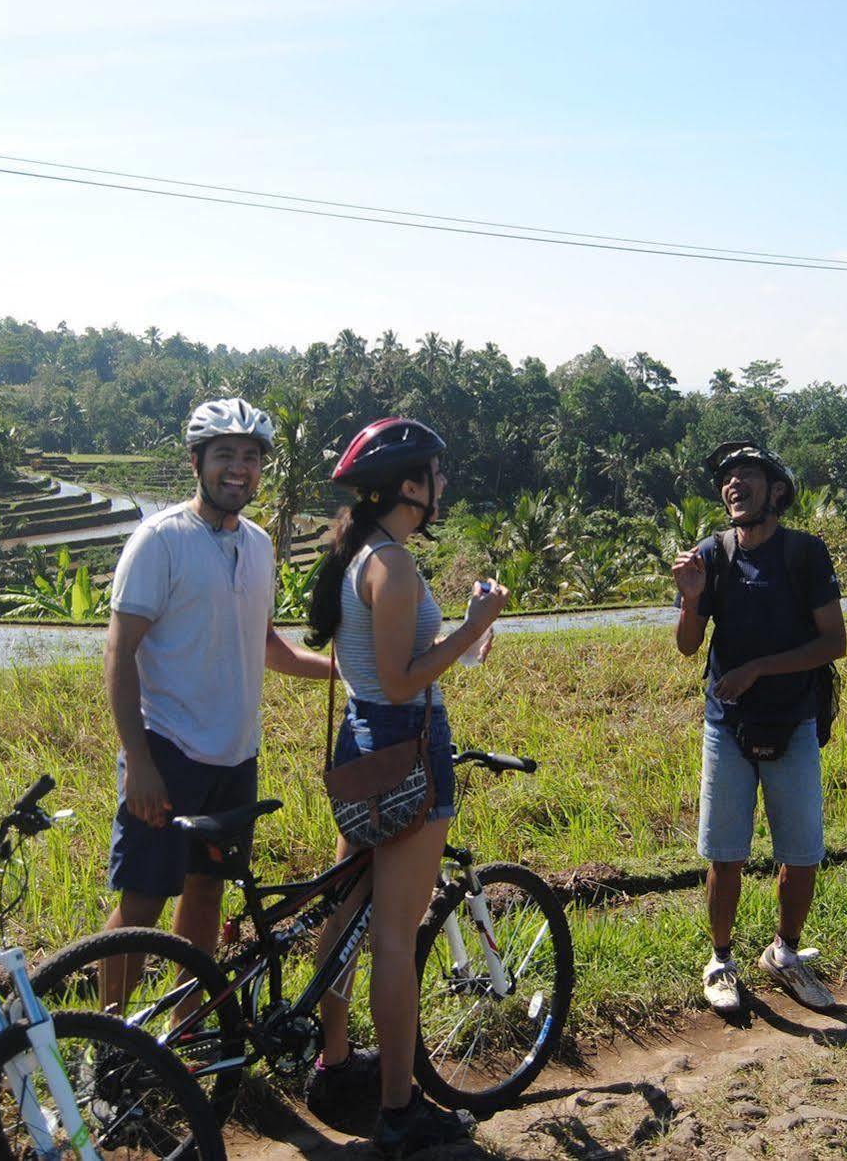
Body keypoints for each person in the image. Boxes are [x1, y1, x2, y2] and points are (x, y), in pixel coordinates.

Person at [299, 418, 508, 1156]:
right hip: (405, 747)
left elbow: (389, 668)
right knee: (393, 933)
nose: (442, 485)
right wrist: (476, 619)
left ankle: (331, 1062)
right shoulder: (393, 566)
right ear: (409, 486)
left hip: (363, 743)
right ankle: (397, 1105)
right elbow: (400, 681)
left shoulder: (362, 553)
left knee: (350, 908)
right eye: (435, 474)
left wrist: (465, 641)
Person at [99, 397, 332, 971]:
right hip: (168, 751)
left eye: (250, 457)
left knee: (208, 890)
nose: (239, 468)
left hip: (235, 759)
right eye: (224, 454)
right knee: (144, 903)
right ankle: (105, 1051)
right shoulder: (161, 540)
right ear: (197, 461)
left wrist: (343, 671)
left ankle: (188, 1031)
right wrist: (140, 761)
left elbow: (266, 644)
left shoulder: (257, 544)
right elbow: (119, 652)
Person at [670, 441, 847, 1016]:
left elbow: (833, 642)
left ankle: (785, 953)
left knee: (802, 853)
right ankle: (721, 960)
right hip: (728, 723)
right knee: (725, 854)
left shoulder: (805, 555)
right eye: (727, 478)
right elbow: (688, 645)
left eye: (747, 474)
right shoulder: (711, 554)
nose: (734, 484)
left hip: (793, 720)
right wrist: (692, 601)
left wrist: (758, 668)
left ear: (776, 491)